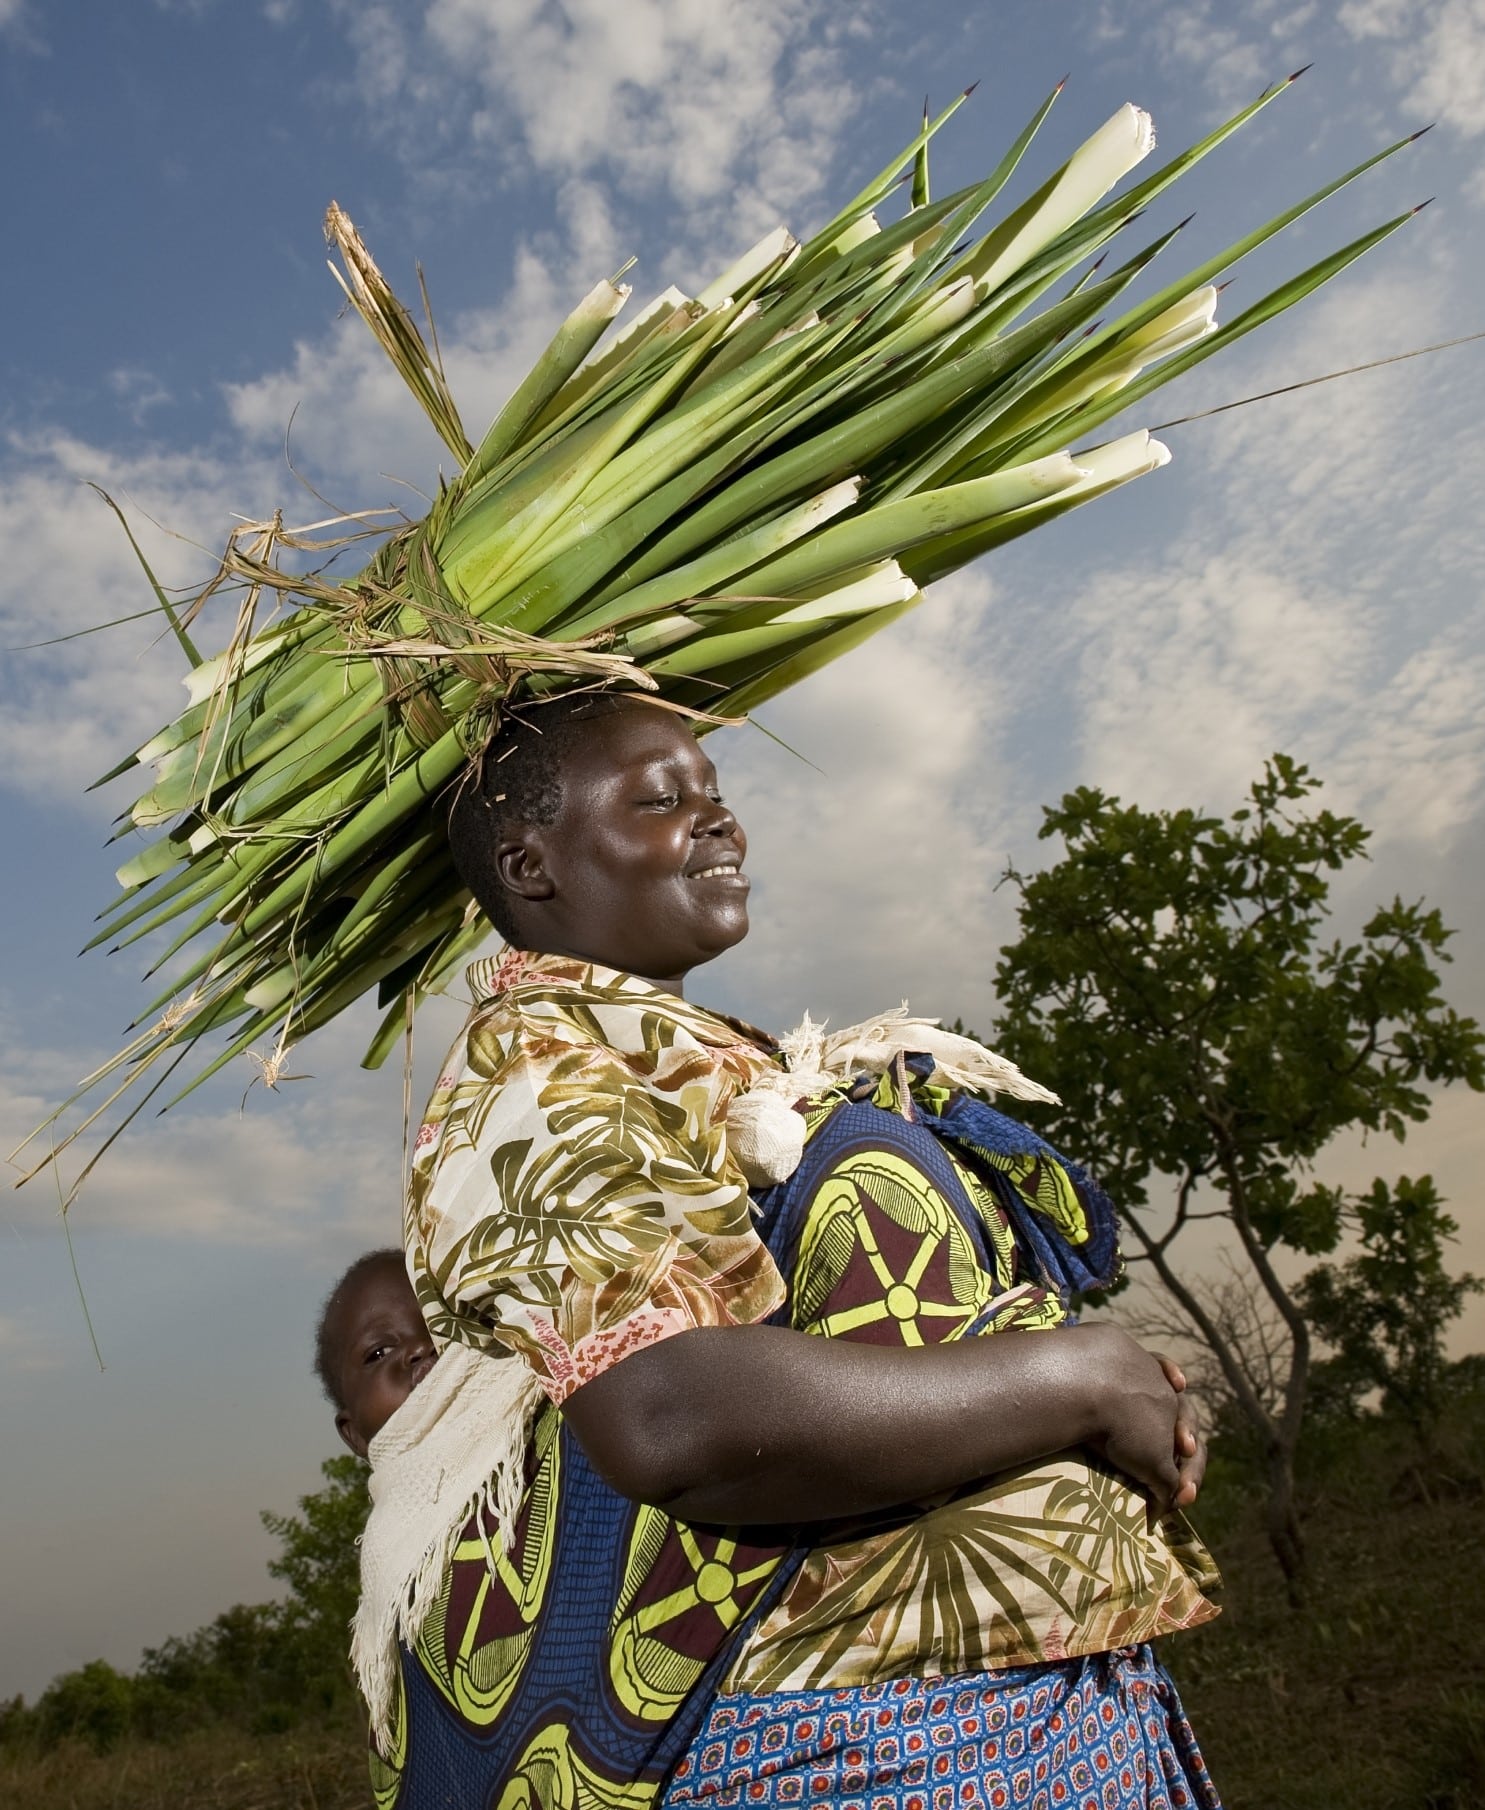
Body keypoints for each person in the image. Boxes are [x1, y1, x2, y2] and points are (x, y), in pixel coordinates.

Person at [374, 691, 1222, 1810]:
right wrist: (1076, 1377)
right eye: (661, 798)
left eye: (716, 794)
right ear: (533, 866)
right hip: (874, 1737)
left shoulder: (682, 1055)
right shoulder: (537, 1067)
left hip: (1013, 1711)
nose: (718, 821)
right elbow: (671, 1414)